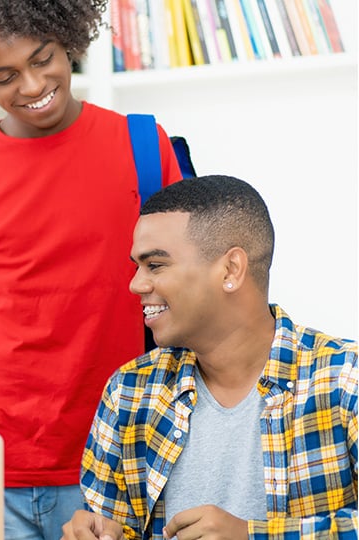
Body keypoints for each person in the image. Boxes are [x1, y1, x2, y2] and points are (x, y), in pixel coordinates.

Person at [0, 1, 183, 538]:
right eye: (4, 77)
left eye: (43, 58)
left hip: (117, 455)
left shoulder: (143, 147)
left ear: (67, 38)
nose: (32, 85)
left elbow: (186, 297)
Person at [63, 175, 357, 540]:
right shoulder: (128, 391)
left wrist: (252, 536)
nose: (136, 284)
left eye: (155, 265)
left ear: (231, 270)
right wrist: (103, 534)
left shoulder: (345, 379)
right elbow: (114, 524)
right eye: (138, 266)